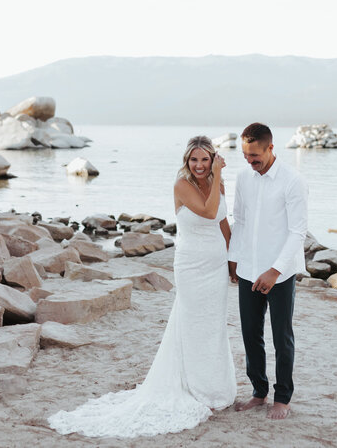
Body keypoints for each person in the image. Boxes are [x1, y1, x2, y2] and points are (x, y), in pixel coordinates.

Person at [48, 136, 236, 438]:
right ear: (186, 161)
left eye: (205, 159)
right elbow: (209, 211)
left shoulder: (216, 184)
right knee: (192, 322)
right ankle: (196, 388)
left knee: (214, 324)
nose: (199, 166)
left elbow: (223, 222)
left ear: (212, 158)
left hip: (215, 264)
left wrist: (233, 260)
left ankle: (216, 386)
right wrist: (220, 175)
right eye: (194, 160)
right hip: (191, 266)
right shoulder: (182, 185)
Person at [229, 122, 308, 420]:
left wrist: (274, 271)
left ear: (270, 148)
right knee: (250, 334)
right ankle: (259, 392)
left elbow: (298, 232)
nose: (250, 161)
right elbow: (240, 220)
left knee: (281, 337)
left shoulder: (293, 180)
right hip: (249, 268)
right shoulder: (242, 177)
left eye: (255, 155)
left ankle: (282, 398)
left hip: (281, 274)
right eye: (246, 155)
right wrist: (234, 259)